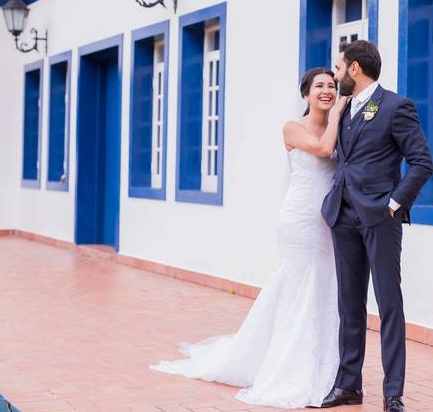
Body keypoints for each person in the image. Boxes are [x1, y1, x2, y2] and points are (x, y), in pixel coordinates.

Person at [150, 68, 350, 408]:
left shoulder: (338, 126)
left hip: (328, 222)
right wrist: (341, 110)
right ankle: (289, 365)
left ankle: (325, 367)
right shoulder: (293, 128)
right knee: (298, 289)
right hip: (300, 220)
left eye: (332, 86)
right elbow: (322, 147)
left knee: (324, 289)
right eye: (319, 86)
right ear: (306, 94)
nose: (327, 91)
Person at [318, 40, 433, 412]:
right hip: (343, 216)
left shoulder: (396, 107)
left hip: (381, 219)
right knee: (349, 305)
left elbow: (422, 162)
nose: (335, 75)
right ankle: (348, 385)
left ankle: (393, 393)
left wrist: (394, 204)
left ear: (355, 68)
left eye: (338, 68)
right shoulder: (344, 108)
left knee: (389, 304)